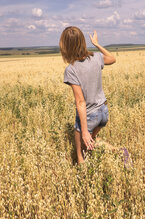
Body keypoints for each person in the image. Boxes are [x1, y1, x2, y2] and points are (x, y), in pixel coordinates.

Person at [60, 26, 116, 164]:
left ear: (65, 46)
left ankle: (83, 178)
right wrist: (96, 44)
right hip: (103, 112)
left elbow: (80, 102)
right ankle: (119, 152)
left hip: (90, 115)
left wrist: (84, 131)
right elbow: (112, 58)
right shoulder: (96, 57)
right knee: (93, 141)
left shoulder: (71, 69)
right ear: (82, 41)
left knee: (81, 155)